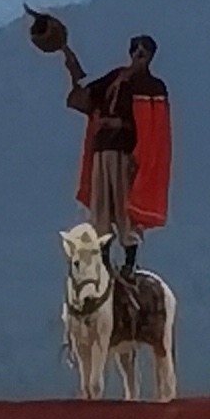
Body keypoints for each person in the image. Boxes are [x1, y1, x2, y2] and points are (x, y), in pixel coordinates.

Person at [61, 30, 172, 268]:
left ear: (151, 56)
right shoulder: (115, 78)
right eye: (136, 50)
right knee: (102, 207)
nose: (140, 55)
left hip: (126, 154)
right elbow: (87, 97)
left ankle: (129, 264)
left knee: (125, 209)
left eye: (145, 51)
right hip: (102, 151)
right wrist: (70, 62)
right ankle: (103, 262)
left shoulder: (152, 86)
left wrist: (134, 147)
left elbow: (153, 128)